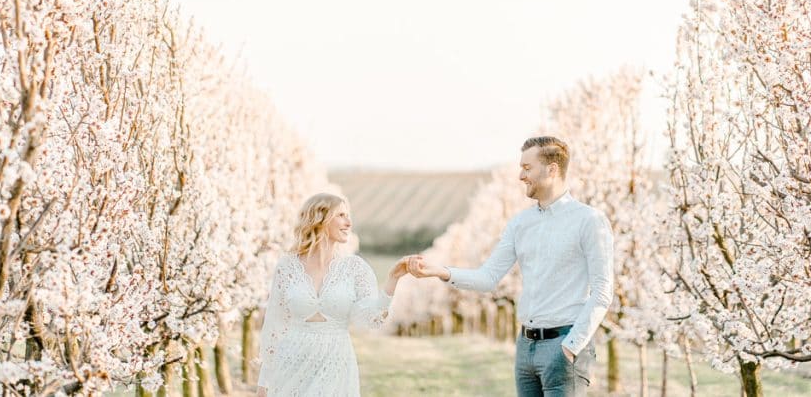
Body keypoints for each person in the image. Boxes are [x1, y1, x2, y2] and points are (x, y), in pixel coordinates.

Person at [409, 136, 613, 396]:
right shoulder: (520, 223)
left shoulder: (589, 221)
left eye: (527, 168)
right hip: (525, 348)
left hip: (564, 346)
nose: (520, 176)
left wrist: (572, 346)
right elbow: (488, 277)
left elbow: (602, 292)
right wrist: (440, 271)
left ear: (552, 169)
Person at [256, 193, 410, 396]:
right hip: (291, 364)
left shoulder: (354, 268)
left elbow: (371, 318)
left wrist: (393, 278)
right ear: (319, 218)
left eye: (348, 215)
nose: (349, 222)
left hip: (336, 363)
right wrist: (264, 383)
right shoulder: (287, 266)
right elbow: (275, 327)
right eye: (341, 215)